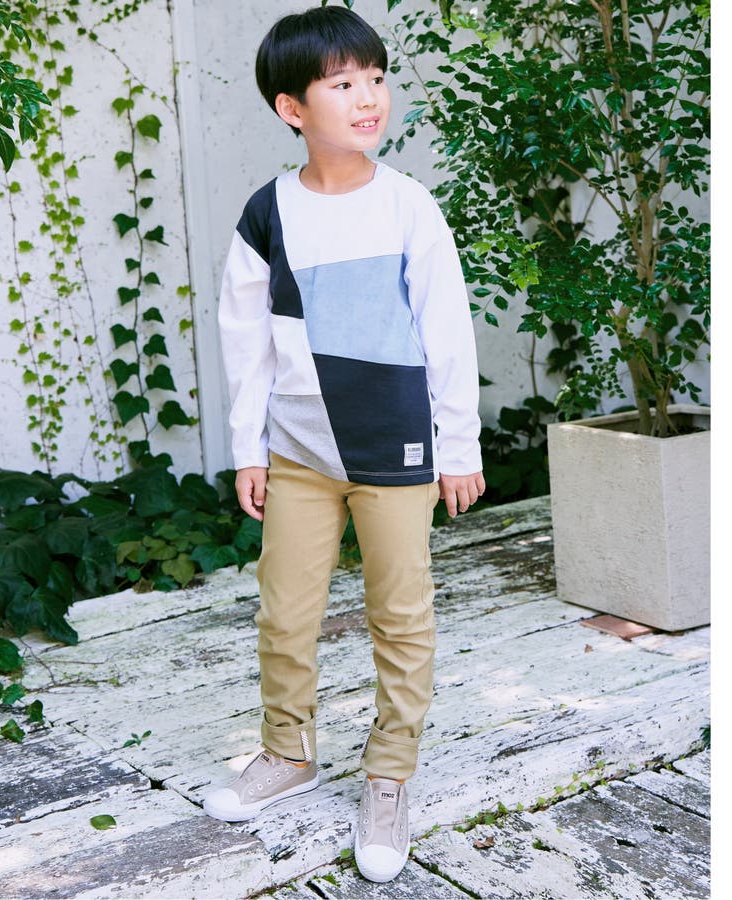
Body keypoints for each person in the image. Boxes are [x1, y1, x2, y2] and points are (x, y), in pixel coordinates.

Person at [203, 4, 485, 884]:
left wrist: (458, 445)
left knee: (401, 614)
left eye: (376, 78)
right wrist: (249, 447)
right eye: (342, 83)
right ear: (292, 108)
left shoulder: (407, 206)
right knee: (284, 611)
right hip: (299, 456)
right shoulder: (268, 213)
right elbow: (245, 339)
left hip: (394, 452)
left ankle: (389, 776)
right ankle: (288, 752)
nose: (369, 98)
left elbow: (447, 329)